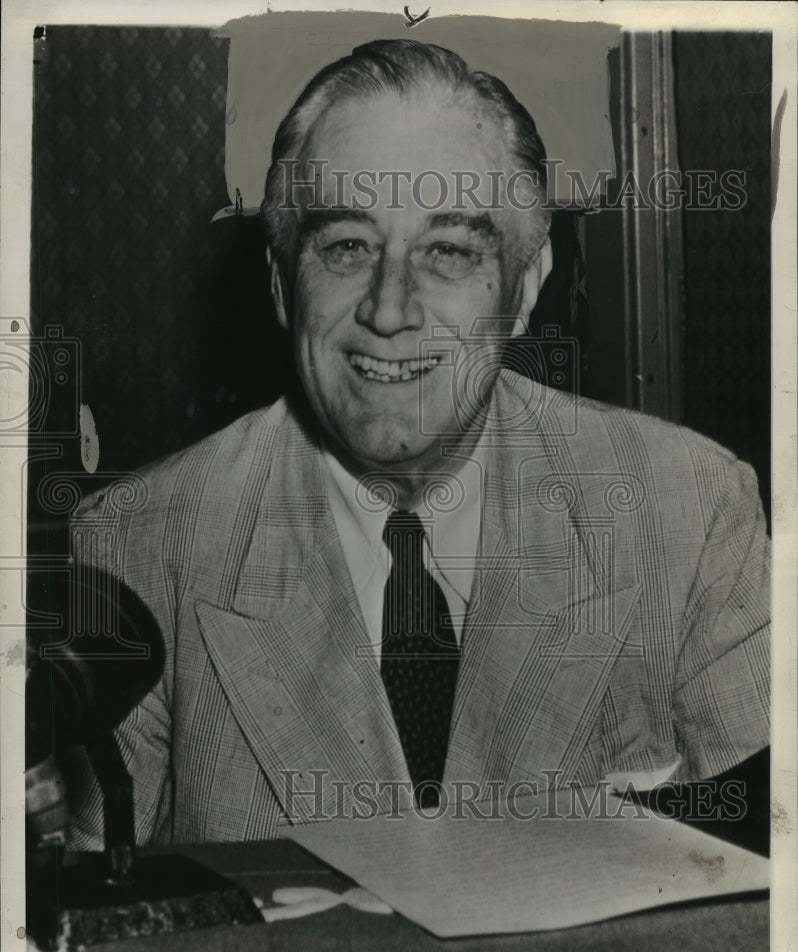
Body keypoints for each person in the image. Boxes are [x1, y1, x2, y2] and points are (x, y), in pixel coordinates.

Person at [67, 39, 769, 846]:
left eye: (448, 251)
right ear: (280, 285)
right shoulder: (138, 547)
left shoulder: (688, 508)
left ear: (526, 287)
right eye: (347, 247)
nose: (391, 309)